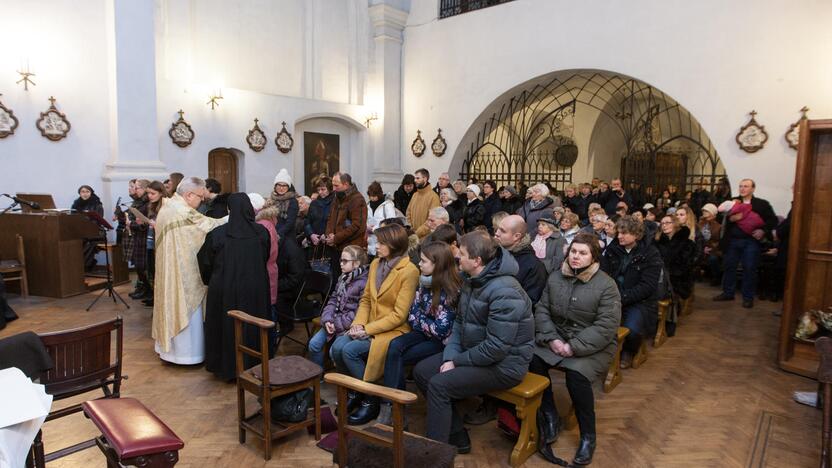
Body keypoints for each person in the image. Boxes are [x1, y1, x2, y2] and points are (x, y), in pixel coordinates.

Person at [413, 231, 534, 451]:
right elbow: (459, 324)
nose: (456, 257)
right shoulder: (472, 279)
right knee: (422, 371)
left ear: (477, 261)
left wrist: (456, 362)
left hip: (505, 365)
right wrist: (451, 356)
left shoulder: (505, 291)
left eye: (462, 254)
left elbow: (496, 348)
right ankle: (456, 433)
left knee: (440, 385)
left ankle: (433, 455)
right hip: (474, 352)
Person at [529, 232, 621, 466]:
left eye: (582, 253)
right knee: (531, 359)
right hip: (557, 339)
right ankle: (549, 414)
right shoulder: (555, 277)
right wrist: (552, 339)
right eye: (573, 252)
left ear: (593, 257)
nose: (576, 257)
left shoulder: (606, 285)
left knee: (576, 377)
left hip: (593, 345)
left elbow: (606, 326)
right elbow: (542, 310)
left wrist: (574, 347)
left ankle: (588, 435)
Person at [330, 224, 419, 425]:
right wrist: (358, 324)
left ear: (394, 244)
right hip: (368, 324)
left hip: (392, 330)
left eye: (380, 242)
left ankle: (371, 399)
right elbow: (366, 300)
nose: (375, 246)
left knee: (350, 351)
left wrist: (367, 329)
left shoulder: (409, 271)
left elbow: (398, 315)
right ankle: (355, 391)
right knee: (336, 348)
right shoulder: (376, 264)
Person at [378, 241, 461, 425]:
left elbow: (442, 330)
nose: (419, 264)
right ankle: (393, 405)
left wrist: (422, 320)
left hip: (441, 342)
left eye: (423, 261)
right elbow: (412, 315)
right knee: (394, 346)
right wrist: (426, 321)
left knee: (396, 356)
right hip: (424, 334)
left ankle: (394, 408)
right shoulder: (424, 282)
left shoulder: (451, 290)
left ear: (437, 264)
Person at [152, 177, 227, 365]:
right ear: (189, 194)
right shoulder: (182, 211)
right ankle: (187, 355)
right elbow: (209, 226)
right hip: (182, 273)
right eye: (200, 197)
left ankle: (168, 351)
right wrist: (231, 218)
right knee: (185, 308)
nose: (202, 200)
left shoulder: (167, 206)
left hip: (169, 269)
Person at [198, 194, 271, 380]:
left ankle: (226, 368)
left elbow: (205, 261)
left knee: (226, 327)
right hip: (255, 289)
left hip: (224, 289)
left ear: (229, 210)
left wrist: (211, 280)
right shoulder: (261, 232)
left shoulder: (218, 234)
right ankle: (255, 366)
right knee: (253, 326)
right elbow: (265, 257)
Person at [601, 215, 663, 368]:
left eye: (624, 233)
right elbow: (604, 273)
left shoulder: (650, 253)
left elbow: (647, 287)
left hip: (639, 301)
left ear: (636, 234)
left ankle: (629, 351)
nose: (619, 236)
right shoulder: (613, 249)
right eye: (618, 233)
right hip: (613, 296)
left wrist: (622, 297)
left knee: (632, 330)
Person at [713, 179, 777, 308]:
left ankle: (748, 297)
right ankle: (728, 293)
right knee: (729, 266)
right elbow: (718, 217)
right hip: (732, 240)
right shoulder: (733, 201)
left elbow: (773, 220)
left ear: (753, 189)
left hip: (751, 241)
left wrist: (762, 231)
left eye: (746, 186)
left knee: (750, 268)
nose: (742, 189)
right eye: (741, 186)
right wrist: (730, 217)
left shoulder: (761, 204)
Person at [308, 246, 369, 368]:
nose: (341, 264)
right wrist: (327, 320)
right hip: (334, 321)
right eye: (341, 260)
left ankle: (343, 382)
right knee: (313, 344)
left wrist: (335, 323)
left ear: (356, 263)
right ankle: (318, 378)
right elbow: (333, 300)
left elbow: (358, 312)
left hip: (348, 326)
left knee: (334, 353)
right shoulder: (343, 278)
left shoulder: (364, 283)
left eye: (345, 261)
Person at [654, 215, 697, 335]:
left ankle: (669, 320)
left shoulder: (687, 243)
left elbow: (685, 265)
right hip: (660, 276)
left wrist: (668, 272)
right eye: (662, 223)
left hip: (679, 278)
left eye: (668, 222)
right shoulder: (656, 242)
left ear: (675, 224)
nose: (664, 225)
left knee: (669, 288)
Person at [494, 215, 548, 303]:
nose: (497, 233)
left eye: (502, 231)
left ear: (516, 236)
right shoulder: (494, 253)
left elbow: (530, 302)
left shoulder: (534, 266)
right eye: (497, 229)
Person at [325, 172, 368, 278]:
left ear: (346, 184)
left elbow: (357, 226)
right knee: (336, 279)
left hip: (350, 249)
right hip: (336, 247)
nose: (334, 189)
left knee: (349, 281)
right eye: (333, 185)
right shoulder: (337, 197)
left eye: (336, 185)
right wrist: (329, 234)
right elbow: (330, 218)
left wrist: (336, 238)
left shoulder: (357, 199)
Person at [140, 181, 169, 307]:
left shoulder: (166, 207)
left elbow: (169, 226)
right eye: (148, 193)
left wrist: (156, 225)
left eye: (153, 193)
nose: (150, 196)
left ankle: (161, 303)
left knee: (160, 275)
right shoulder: (151, 206)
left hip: (161, 245)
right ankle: (155, 300)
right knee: (152, 273)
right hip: (151, 243)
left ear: (161, 193)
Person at [254, 205, 279, 336]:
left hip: (266, 271)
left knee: (269, 310)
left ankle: (270, 342)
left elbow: (267, 253)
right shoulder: (268, 223)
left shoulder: (263, 225)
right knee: (270, 306)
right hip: (271, 270)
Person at [72, 185, 105, 272]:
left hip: (96, 232)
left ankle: (84, 267)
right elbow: (72, 219)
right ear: (79, 193)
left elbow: (97, 222)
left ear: (91, 193)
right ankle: (81, 266)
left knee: (88, 242)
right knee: (73, 241)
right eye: (83, 192)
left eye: (87, 191)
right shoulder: (76, 204)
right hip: (82, 232)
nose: (85, 194)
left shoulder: (97, 205)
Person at [128, 180, 151, 299]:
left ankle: (149, 291)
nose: (135, 190)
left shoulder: (147, 203)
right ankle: (146, 290)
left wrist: (132, 224)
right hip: (139, 237)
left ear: (145, 189)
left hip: (144, 237)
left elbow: (146, 223)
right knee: (139, 266)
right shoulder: (139, 202)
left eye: (137, 188)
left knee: (144, 267)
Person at [407, 168, 441, 238]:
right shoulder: (415, 195)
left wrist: (417, 233)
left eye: (417, 178)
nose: (415, 181)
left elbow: (432, 220)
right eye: (415, 178)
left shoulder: (433, 197)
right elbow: (408, 212)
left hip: (426, 237)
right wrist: (410, 227)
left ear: (425, 179)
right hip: (413, 235)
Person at [265, 168, 299, 240]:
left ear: (288, 187)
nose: (281, 188)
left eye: (284, 186)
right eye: (279, 185)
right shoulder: (271, 200)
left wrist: (278, 234)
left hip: (285, 236)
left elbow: (290, 223)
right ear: (275, 186)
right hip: (271, 234)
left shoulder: (292, 201)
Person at [366, 181, 397, 257]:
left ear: (379, 194)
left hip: (383, 243)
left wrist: (374, 229)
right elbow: (365, 220)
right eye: (370, 196)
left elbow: (391, 223)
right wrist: (366, 226)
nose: (372, 198)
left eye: (374, 196)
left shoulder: (387, 205)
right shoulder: (368, 206)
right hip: (370, 244)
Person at [305, 176, 335, 256]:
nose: (320, 192)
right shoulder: (314, 203)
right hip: (315, 242)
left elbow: (336, 222)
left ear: (329, 188)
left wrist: (326, 235)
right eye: (318, 190)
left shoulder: (335, 203)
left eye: (323, 189)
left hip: (330, 242)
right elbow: (307, 221)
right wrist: (311, 234)